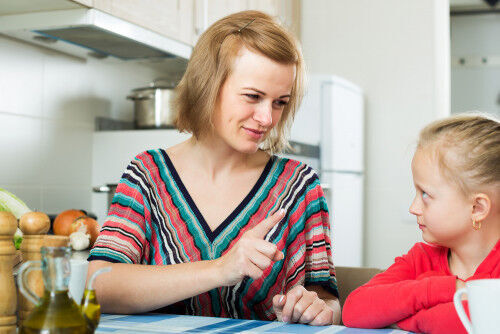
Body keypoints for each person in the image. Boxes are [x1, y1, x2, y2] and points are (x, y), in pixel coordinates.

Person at [87, 10, 341, 326]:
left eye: (280, 102)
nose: (267, 118)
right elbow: (98, 286)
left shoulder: (299, 185)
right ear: (208, 86)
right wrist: (221, 269)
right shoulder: (147, 173)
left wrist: (312, 307)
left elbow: (328, 299)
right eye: (253, 96)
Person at [342, 113, 500, 333]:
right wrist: (447, 288)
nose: (413, 208)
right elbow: (354, 309)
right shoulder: (421, 259)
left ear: (477, 208)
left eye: (425, 194)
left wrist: (408, 320)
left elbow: (464, 323)